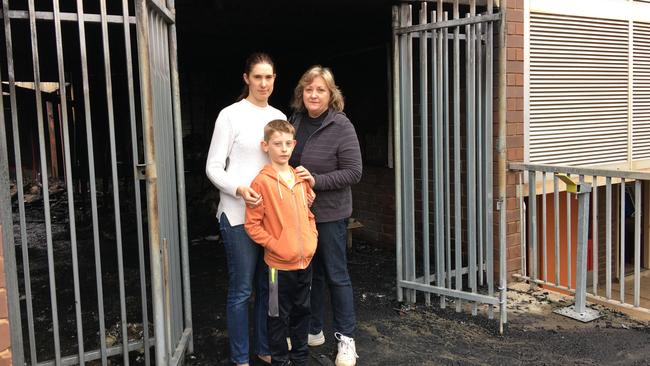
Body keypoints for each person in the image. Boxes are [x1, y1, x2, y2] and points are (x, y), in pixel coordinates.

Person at [206, 52, 286, 366]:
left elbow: (282, 163)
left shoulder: (279, 115)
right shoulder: (230, 115)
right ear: (246, 79)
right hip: (237, 214)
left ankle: (265, 348)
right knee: (242, 289)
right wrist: (238, 189)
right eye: (257, 77)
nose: (263, 83)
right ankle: (240, 357)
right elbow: (213, 167)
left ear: (274, 79)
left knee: (270, 288)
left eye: (269, 77)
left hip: (272, 218)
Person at [289, 66, 362, 366]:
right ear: (301, 94)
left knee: (336, 274)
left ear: (331, 94)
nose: (314, 94)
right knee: (309, 274)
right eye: (309, 89)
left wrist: (316, 180)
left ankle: (347, 339)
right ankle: (314, 328)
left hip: (331, 214)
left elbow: (354, 172)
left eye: (320, 89)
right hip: (301, 213)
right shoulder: (294, 121)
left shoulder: (341, 125)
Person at [245, 119, 318, 366]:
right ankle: (279, 360)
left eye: (288, 143)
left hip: (304, 263)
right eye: (277, 144)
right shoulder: (261, 182)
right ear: (265, 146)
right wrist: (275, 245)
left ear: (294, 144)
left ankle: (299, 359)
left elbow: (309, 214)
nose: (283, 149)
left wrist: (312, 240)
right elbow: (252, 225)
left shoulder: (301, 178)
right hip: (277, 267)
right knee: (277, 316)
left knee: (302, 312)